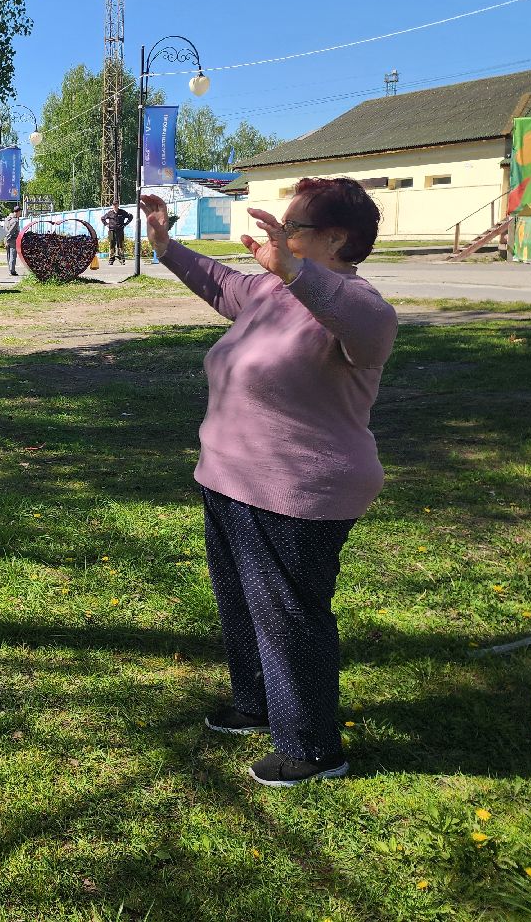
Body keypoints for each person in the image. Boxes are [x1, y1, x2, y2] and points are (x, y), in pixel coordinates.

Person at [139, 177, 397, 787]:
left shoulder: (361, 308)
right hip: (230, 477)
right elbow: (222, 283)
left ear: (338, 238)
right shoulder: (270, 293)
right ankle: (257, 704)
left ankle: (312, 748)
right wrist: (164, 244)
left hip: (299, 491)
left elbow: (362, 323)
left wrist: (293, 271)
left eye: (294, 228)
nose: (278, 236)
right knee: (242, 604)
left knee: (290, 616)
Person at [3, 206, 21, 276]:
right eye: (20, 212)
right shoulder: (15, 221)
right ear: (18, 212)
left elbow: (4, 229)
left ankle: (10, 269)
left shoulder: (7, 219)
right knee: (13, 255)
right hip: (12, 240)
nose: (20, 213)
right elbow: (11, 231)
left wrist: (5, 240)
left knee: (8, 256)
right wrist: (8, 239)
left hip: (6, 239)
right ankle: (12, 271)